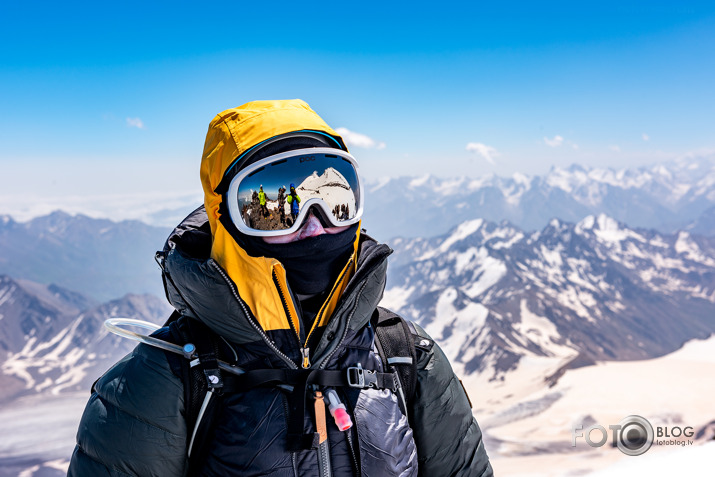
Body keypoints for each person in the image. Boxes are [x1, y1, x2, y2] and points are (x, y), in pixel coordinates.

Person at [67, 99, 492, 476]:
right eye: (271, 211)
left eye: (334, 200)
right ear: (226, 220)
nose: (313, 222)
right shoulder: (164, 380)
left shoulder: (406, 357)